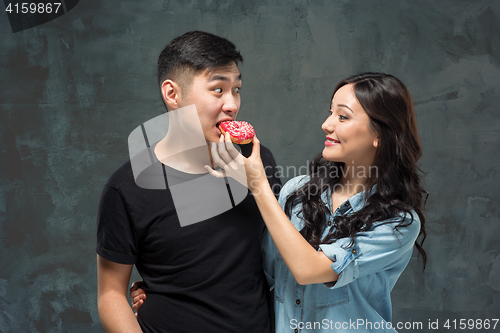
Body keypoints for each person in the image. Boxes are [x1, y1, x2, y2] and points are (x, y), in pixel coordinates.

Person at [135, 72, 427, 332]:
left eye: (342, 116)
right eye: (330, 113)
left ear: (380, 135)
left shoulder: (398, 223)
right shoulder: (297, 191)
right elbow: (250, 269)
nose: (326, 125)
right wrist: (166, 288)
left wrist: (257, 185)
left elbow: (309, 269)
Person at [96, 31, 280, 333]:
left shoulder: (258, 163)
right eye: (218, 90)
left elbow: (284, 257)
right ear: (172, 94)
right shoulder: (126, 188)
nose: (232, 104)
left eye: (236, 90)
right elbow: (110, 294)